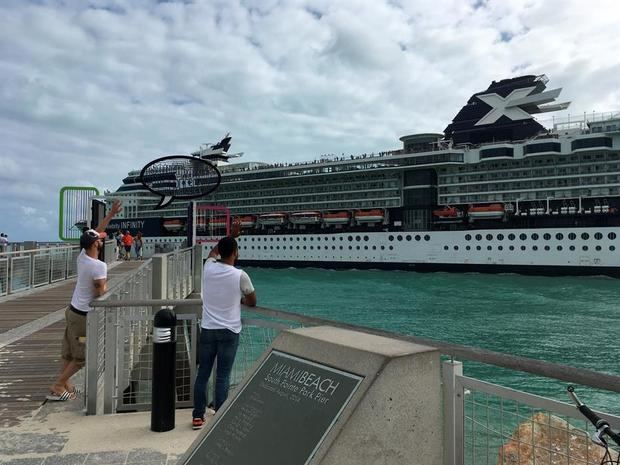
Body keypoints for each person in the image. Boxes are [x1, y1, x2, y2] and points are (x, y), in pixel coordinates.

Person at [48, 200, 122, 401]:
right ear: (96, 244)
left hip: (72, 311)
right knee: (81, 356)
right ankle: (58, 385)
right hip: (82, 317)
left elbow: (97, 231)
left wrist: (110, 214)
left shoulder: (82, 256)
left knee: (69, 352)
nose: (102, 240)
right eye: (100, 239)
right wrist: (108, 287)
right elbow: (100, 292)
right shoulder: (99, 266)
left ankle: (66, 385)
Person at [192, 220, 256, 429]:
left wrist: (231, 236)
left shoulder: (208, 267)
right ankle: (219, 416)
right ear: (236, 253)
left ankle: (197, 416)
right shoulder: (240, 275)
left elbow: (213, 252)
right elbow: (252, 300)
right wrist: (240, 301)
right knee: (222, 376)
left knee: (203, 374)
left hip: (208, 329)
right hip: (229, 331)